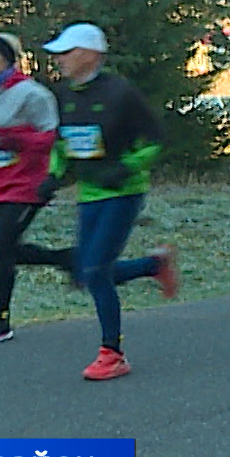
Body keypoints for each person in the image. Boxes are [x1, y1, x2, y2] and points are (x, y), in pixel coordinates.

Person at [39, 23, 179, 381]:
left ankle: (112, 354)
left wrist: (126, 167)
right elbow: (62, 143)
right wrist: (54, 175)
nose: (60, 60)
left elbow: (156, 138)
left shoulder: (121, 93)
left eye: (67, 53)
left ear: (90, 54)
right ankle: (154, 265)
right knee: (89, 272)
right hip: (89, 194)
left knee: (97, 271)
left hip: (124, 192)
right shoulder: (64, 95)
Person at [0, 33, 76, 344]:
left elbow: (53, 138)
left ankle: (0, 320)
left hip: (30, 184)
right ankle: (70, 260)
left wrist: (16, 140)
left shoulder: (33, 95)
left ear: (9, 58)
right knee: (7, 249)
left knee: (2, 249)